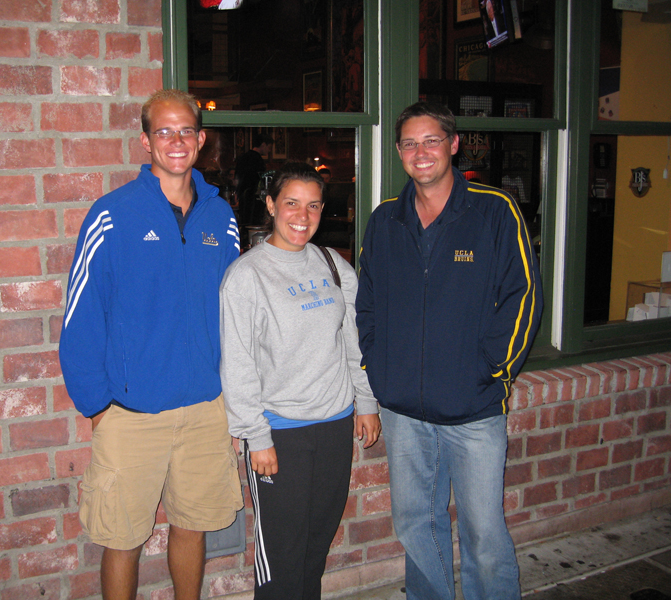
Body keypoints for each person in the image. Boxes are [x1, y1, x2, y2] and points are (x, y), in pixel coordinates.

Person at [59, 88, 243, 600]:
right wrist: (98, 405)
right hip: (131, 412)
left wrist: (234, 397)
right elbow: (80, 317)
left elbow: (235, 310)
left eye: (186, 130)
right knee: (123, 540)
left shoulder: (219, 216)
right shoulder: (111, 214)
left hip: (206, 409)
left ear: (201, 140)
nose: (176, 140)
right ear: (146, 141)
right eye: (163, 131)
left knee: (193, 526)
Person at [356, 102, 542, 600]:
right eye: (410, 144)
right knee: (417, 524)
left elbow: (524, 296)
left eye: (432, 141)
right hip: (404, 413)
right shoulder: (385, 222)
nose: (421, 153)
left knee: (483, 535)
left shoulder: (493, 211)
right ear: (399, 152)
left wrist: (492, 372)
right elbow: (367, 304)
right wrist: (381, 371)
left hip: (474, 409)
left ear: (453, 144)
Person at [220, 162, 381, 599]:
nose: (302, 215)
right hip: (280, 433)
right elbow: (237, 363)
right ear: (271, 205)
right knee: (281, 553)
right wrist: (257, 436)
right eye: (291, 203)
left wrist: (365, 402)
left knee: (316, 540)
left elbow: (354, 342)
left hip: (333, 425)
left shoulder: (333, 265)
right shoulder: (247, 276)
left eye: (313, 206)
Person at [235, 133, 274, 226]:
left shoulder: (243, 157)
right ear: (263, 144)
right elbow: (260, 183)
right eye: (269, 147)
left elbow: (237, 178)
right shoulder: (258, 160)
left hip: (243, 197)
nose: (269, 150)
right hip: (253, 200)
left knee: (244, 223)